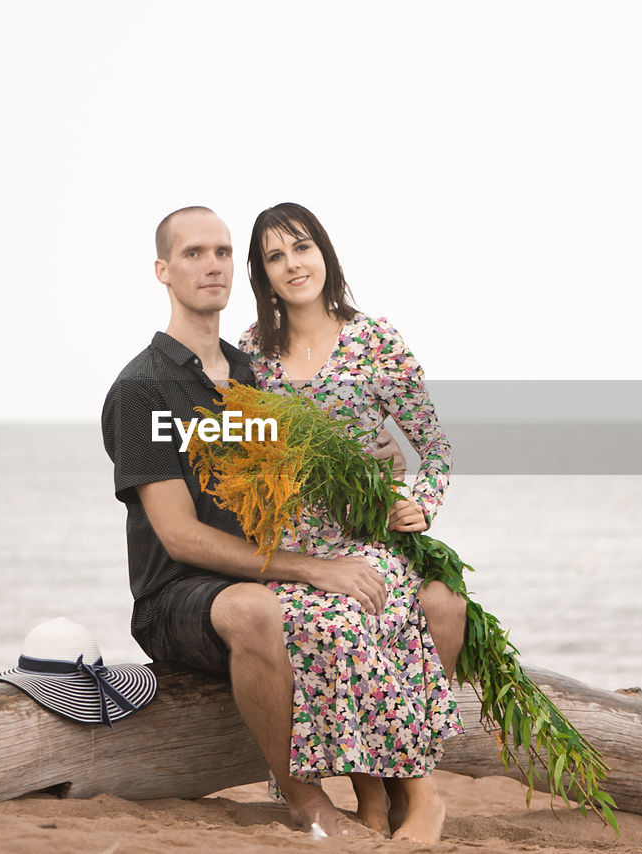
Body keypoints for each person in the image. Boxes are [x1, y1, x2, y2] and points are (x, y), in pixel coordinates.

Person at [101, 206, 466, 842]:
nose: (211, 264)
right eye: (193, 253)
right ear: (162, 270)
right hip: (191, 588)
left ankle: (393, 795)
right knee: (327, 608)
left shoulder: (246, 373)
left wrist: (384, 468)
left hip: (295, 556)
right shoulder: (153, 386)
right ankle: (329, 799)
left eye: (220, 252)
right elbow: (180, 535)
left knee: (396, 601)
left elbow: (316, 452)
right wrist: (317, 568)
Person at [238, 202, 464, 841]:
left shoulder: (376, 340)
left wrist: (421, 505)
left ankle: (419, 795)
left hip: (368, 537)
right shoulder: (253, 353)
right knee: (313, 624)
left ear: (324, 253)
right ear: (264, 274)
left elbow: (436, 448)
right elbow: (246, 446)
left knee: (368, 609)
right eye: (275, 257)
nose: (292, 265)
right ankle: (371, 795)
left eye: (301, 248)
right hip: (292, 547)